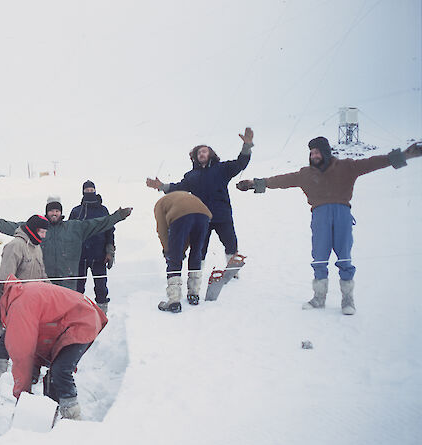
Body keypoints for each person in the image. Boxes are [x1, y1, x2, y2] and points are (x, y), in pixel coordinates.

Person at [237, 138, 422, 315]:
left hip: (342, 214)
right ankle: (319, 297)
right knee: (319, 257)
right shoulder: (305, 174)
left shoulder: (347, 167)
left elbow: (373, 162)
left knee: (344, 258)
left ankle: (348, 299)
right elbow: (280, 180)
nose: (313, 155)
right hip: (320, 216)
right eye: (311, 153)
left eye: (317, 152)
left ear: (325, 152)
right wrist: (254, 183)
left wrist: (405, 155)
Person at [0, 276, 107, 420]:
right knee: (52, 377)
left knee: (61, 371)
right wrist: (33, 371)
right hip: (74, 319)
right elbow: (36, 340)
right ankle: (50, 416)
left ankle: (73, 417)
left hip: (81, 321)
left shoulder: (19, 305)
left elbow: (22, 356)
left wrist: (22, 396)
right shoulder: (17, 295)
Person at [147, 128, 253, 274]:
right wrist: (161, 186)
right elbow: (179, 188)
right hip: (202, 217)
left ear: (210, 154)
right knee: (200, 247)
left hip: (223, 215)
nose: (202, 154)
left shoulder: (222, 169)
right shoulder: (191, 175)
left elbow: (240, 163)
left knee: (231, 244)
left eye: (204, 151)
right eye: (199, 152)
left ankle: (233, 271)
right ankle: (197, 273)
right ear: (195, 157)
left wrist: (247, 146)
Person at [0, 199, 132, 293]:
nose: (54, 213)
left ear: (61, 213)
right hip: (44, 282)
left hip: (68, 283)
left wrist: (118, 216)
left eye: (57, 211)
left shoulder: (75, 227)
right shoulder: (37, 228)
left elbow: (101, 223)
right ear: (46, 213)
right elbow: (9, 226)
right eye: (51, 211)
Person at [0, 214, 50, 378]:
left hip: (34, 302)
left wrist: (53, 291)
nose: (44, 236)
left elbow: (42, 274)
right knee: (9, 335)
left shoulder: (36, 247)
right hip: (17, 300)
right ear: (32, 230)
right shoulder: (15, 246)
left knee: (32, 337)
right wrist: (10, 301)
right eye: (41, 232)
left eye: (45, 232)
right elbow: (5, 277)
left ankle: (31, 372)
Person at [154, 192, 213, 312]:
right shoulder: (180, 197)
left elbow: (162, 231)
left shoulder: (159, 205)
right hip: (204, 214)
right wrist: (181, 250)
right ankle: (194, 294)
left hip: (180, 214)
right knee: (196, 252)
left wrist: (168, 251)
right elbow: (186, 235)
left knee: (174, 257)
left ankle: (174, 300)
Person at [68, 181, 115, 313]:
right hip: (80, 256)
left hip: (99, 255)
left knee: (101, 287)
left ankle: (102, 312)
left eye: (91, 189)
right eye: (87, 190)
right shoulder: (76, 211)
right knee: (77, 287)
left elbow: (110, 231)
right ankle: (76, 312)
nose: (90, 192)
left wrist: (109, 251)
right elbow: (69, 233)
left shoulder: (103, 210)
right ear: (83, 192)